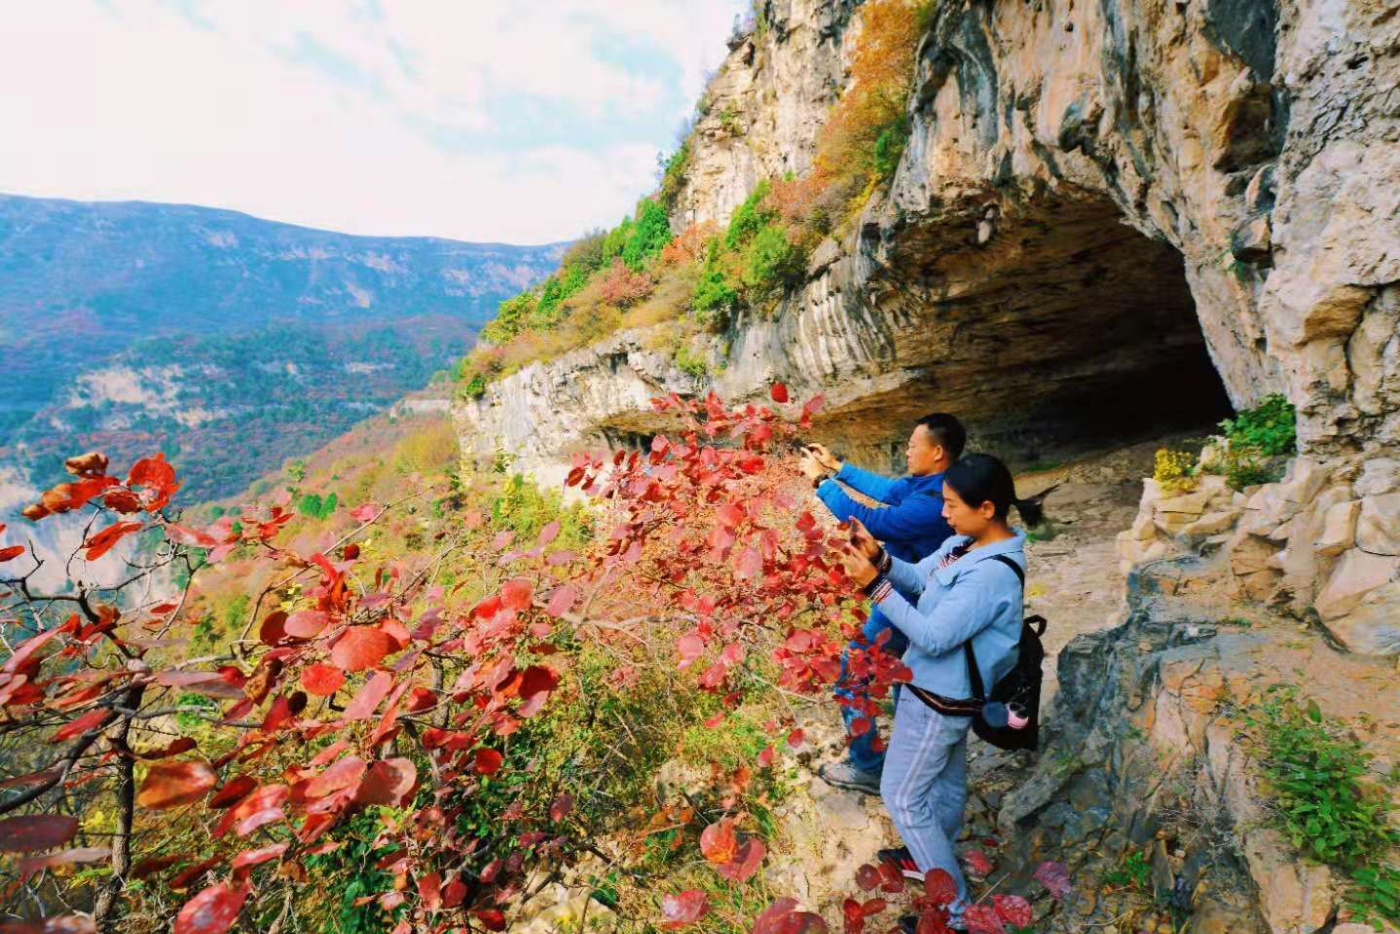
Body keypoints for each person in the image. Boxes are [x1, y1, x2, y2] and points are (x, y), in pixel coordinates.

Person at [839, 453, 1042, 932]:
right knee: (945, 785)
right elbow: (918, 577)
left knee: (902, 795)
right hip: (928, 686)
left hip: (941, 698)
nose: (944, 513)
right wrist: (881, 559)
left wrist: (874, 588)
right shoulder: (961, 544)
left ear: (987, 508)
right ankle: (928, 855)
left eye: (951, 505)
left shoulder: (992, 572)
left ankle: (956, 915)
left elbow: (933, 636)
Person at [798, 413, 965, 796]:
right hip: (905, 597)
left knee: (853, 671)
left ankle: (869, 767)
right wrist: (838, 466)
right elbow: (889, 490)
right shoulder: (932, 484)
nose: (906, 451)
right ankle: (910, 761)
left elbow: (877, 521)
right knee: (900, 677)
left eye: (912, 445)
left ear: (937, 452)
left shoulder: (934, 500)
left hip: (906, 602)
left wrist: (821, 481)